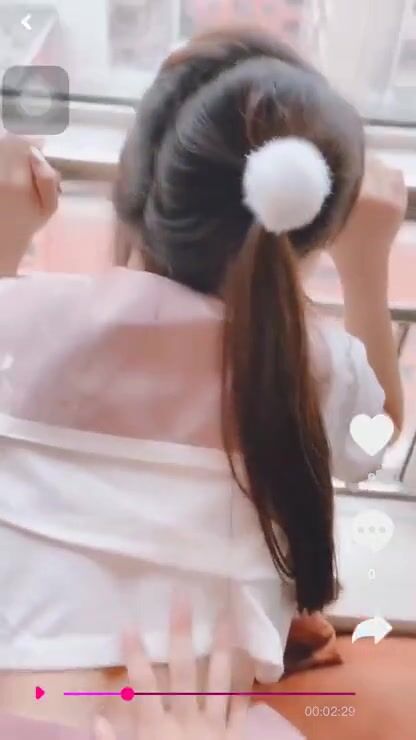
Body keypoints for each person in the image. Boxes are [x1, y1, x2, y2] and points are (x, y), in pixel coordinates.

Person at [0, 26, 407, 740]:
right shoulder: (312, 371)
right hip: (198, 723)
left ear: (137, 192)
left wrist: (8, 240)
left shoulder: (22, 321)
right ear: (313, 227)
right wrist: (367, 267)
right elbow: (375, 438)